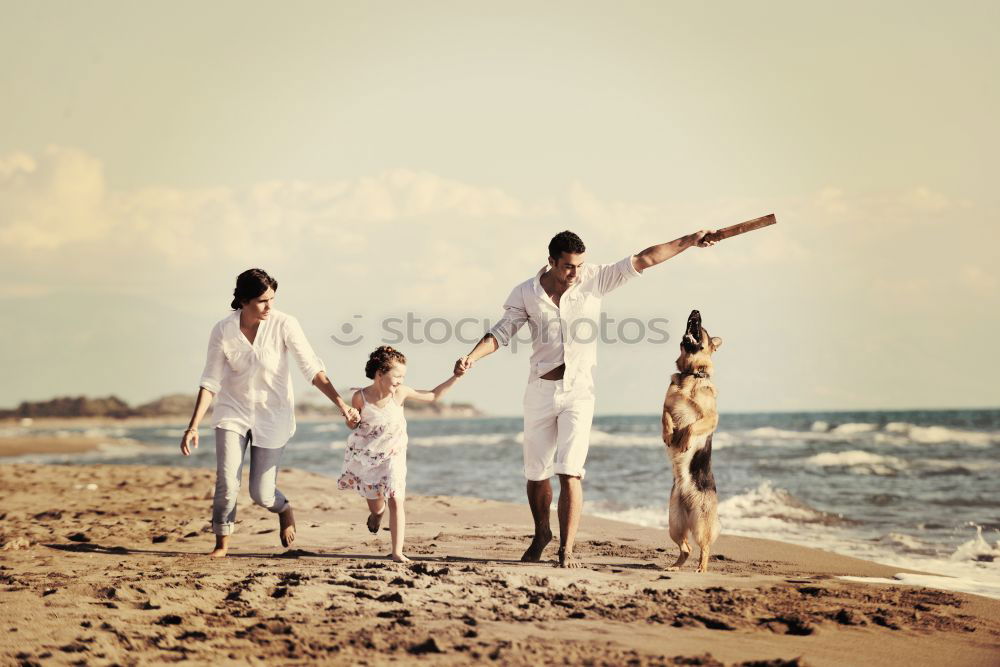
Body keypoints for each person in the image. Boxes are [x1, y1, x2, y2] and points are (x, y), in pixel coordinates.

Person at [455, 229, 716, 567]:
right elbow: (502, 332)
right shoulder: (526, 293)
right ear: (551, 262)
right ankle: (542, 533)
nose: (575, 273)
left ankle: (567, 549)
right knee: (536, 475)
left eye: (579, 265)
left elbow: (646, 258)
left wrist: (690, 240)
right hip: (540, 390)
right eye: (567, 266)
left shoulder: (595, 279)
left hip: (579, 392)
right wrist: (471, 358)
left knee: (570, 472)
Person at [180, 268, 360, 558]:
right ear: (243, 300)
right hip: (232, 411)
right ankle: (222, 542)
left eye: (272, 299)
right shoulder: (223, 330)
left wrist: (342, 404)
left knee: (261, 494)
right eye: (262, 301)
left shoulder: (285, 324)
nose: (269, 306)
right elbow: (210, 380)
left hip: (273, 415)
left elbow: (312, 369)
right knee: (227, 480)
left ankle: (284, 508)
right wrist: (193, 426)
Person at [338, 346, 463, 562]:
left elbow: (433, 395)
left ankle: (397, 552)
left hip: (394, 455)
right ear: (380, 374)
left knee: (396, 498)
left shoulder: (401, 393)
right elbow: (353, 425)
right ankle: (377, 514)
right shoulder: (360, 397)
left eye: (403, 376)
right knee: (377, 503)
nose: (400, 380)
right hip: (368, 458)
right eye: (396, 376)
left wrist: (456, 376)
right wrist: (351, 420)